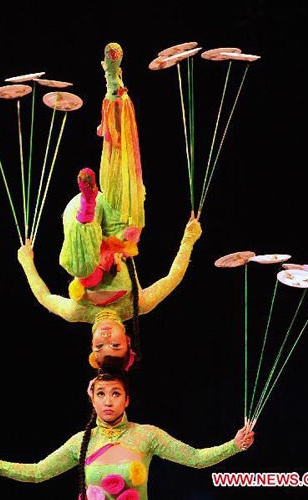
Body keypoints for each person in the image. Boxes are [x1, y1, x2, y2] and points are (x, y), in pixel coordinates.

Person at [18, 42, 202, 370]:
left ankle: (87, 209)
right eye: (114, 343)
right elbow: (172, 278)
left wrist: (26, 261)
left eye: (100, 344)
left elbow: (44, 297)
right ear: (127, 339)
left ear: (91, 344)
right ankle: (114, 87)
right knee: (125, 162)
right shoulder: (137, 304)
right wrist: (189, 238)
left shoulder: (78, 312)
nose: (105, 336)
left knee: (81, 268)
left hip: (82, 227)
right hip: (121, 229)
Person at [0, 368, 255, 499]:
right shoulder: (81, 442)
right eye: (101, 394)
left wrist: (234, 445)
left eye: (115, 393)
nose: (108, 401)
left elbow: (195, 458)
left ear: (127, 399)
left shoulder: (146, 435)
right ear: (92, 400)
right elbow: (38, 473)